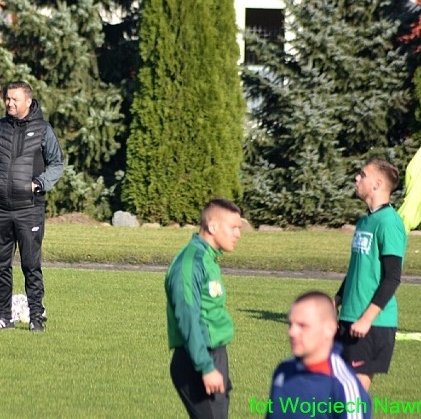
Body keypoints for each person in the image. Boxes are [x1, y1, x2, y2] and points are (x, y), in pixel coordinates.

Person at [0, 81, 64, 332]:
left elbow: (56, 163)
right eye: (7, 99)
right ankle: (4, 316)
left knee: (30, 265)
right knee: (0, 265)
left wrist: (38, 184)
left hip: (30, 209)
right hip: (0, 209)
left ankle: (36, 317)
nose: (9, 103)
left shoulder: (43, 130)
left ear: (28, 101)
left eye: (15, 99)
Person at [165, 198, 242, 419]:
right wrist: (206, 367)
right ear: (213, 227)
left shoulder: (209, 258)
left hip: (214, 354)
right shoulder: (189, 264)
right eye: (233, 227)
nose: (238, 234)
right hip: (196, 360)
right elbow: (189, 318)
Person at [334, 158, 406, 392]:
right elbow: (357, 269)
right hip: (349, 317)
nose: (357, 178)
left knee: (352, 397)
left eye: (362, 174)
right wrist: (335, 301)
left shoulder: (389, 222)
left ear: (376, 183)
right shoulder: (365, 221)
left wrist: (367, 319)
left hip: (372, 324)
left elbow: (392, 277)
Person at [266, 291, 371, 419]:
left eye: (303, 325)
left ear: (329, 329)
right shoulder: (283, 370)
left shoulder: (344, 386)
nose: (292, 332)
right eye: (290, 324)